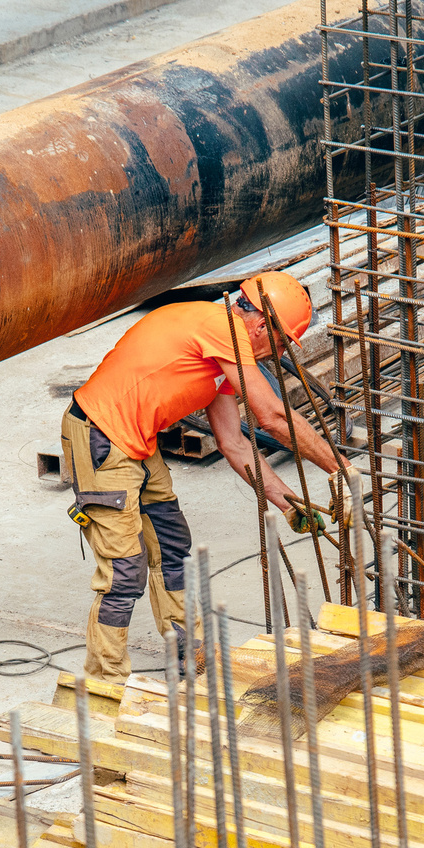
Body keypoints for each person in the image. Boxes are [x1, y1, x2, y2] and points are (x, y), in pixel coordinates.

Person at [61, 271, 344, 680]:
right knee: (124, 570)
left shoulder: (221, 351)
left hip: (134, 441)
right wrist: (342, 472)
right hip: (100, 436)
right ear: (263, 326)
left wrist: (288, 503)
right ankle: (105, 679)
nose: (275, 354)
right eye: (282, 344)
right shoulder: (220, 327)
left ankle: (186, 651)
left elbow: (235, 444)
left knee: (171, 546)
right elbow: (273, 416)